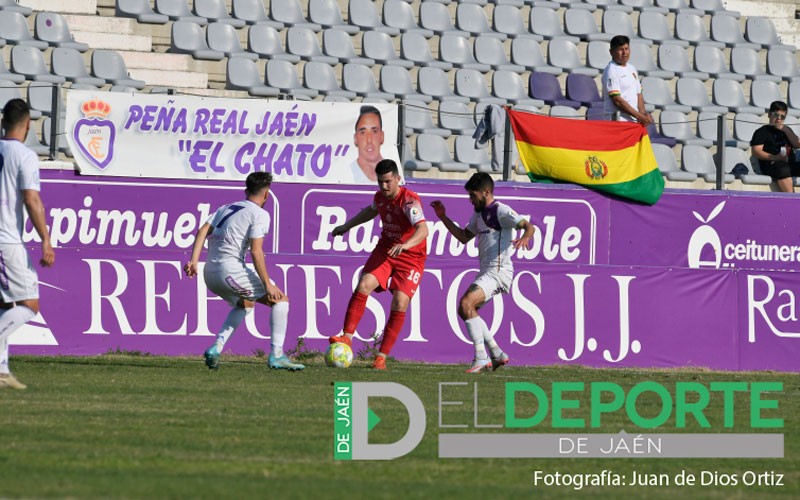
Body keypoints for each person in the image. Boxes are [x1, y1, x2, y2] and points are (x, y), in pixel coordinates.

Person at [184, 172, 303, 371]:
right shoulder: (260, 214)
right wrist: (267, 284)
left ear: (246, 191)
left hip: (209, 273)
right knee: (280, 300)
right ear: (266, 195)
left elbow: (202, 230)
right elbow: (256, 252)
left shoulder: (225, 208)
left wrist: (194, 261)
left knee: (246, 304)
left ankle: (216, 348)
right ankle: (277, 355)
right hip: (229, 271)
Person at [328, 159, 428, 370]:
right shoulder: (379, 197)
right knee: (364, 284)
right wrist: (347, 226)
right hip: (386, 249)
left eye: (388, 182)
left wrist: (405, 245)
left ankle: (381, 357)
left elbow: (423, 230)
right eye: (380, 182)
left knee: (400, 303)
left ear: (398, 179)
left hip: (411, 256)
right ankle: (347, 338)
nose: (384, 187)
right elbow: (371, 211)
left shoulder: (410, 201)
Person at [430, 173, 534, 373]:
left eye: (473, 195)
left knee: (466, 303)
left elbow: (528, 226)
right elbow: (463, 236)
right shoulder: (478, 215)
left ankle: (480, 356)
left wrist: (526, 237)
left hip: (498, 271)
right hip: (486, 271)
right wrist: (443, 217)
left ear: (486, 192)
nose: (470, 200)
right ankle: (496, 353)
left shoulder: (500, 211)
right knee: (466, 310)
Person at [0, 98, 55, 390]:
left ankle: (2, 369)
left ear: (2, 122)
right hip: (6, 241)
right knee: (29, 305)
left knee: (4, 304)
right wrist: (46, 239)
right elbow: (32, 199)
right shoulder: (23, 155)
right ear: (29, 125)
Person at [751, 101, 800, 193]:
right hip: (772, 163)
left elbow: (797, 144)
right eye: (776, 115)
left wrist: (786, 130)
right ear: (769, 114)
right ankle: (793, 200)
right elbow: (756, 151)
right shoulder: (762, 132)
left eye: (782, 117)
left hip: (789, 162)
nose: (779, 119)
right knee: (783, 170)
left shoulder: (787, 130)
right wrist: (776, 157)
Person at [602, 35, 652, 126]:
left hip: (634, 121)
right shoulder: (611, 71)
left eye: (626, 48)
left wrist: (643, 114)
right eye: (621, 49)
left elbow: (638, 94)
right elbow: (617, 100)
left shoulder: (632, 68)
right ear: (611, 52)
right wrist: (640, 116)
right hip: (618, 122)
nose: (625, 53)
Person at [348, 105, 384, 183]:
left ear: (382, 136)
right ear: (355, 139)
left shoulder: (392, 172)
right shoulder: (347, 173)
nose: (369, 140)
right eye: (363, 133)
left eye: (374, 131)